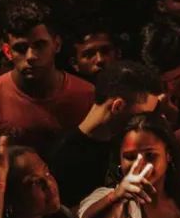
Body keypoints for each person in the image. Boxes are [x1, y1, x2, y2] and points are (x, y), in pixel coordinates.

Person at [0, 1, 94, 153]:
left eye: (39, 45)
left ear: (57, 45)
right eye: (20, 48)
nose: (31, 56)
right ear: (8, 52)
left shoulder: (87, 96)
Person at [48, 60, 162, 208]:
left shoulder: (124, 143)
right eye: (143, 114)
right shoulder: (65, 158)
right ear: (118, 106)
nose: (145, 122)